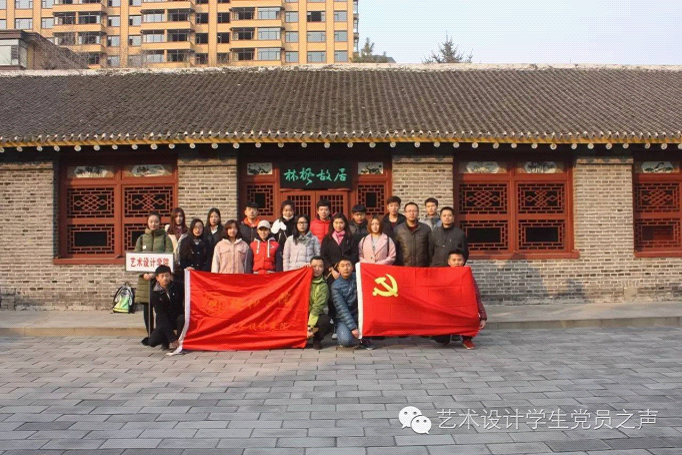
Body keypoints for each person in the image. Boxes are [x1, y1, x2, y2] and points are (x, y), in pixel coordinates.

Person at [433, 249, 487, 349]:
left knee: (471, 315)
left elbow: (476, 296)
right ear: (449, 262)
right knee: (440, 338)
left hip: (463, 310)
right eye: (454, 260)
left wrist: (483, 317)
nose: (457, 263)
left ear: (463, 261)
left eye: (459, 260)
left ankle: (467, 339)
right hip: (447, 310)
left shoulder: (468, 275)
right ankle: (447, 336)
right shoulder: (443, 275)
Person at [134, 211, 174, 342]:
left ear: (160, 223)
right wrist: (144, 273)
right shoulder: (141, 239)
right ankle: (150, 335)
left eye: (156, 221)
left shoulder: (165, 238)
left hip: (160, 279)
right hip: (145, 279)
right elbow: (136, 258)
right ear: (147, 222)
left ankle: (160, 334)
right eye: (151, 221)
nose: (153, 224)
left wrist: (156, 274)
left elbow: (169, 257)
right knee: (147, 308)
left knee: (160, 309)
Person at [331, 257, 374, 350]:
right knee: (346, 341)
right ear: (338, 269)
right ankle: (341, 331)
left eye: (348, 265)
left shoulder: (359, 278)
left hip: (360, 316)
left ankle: (364, 338)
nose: (346, 268)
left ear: (352, 267)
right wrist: (353, 328)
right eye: (342, 266)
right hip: (343, 318)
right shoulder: (335, 286)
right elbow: (342, 309)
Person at [147, 265, 184, 350]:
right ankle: (166, 341)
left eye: (167, 276)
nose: (165, 278)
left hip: (178, 318)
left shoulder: (178, 287)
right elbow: (161, 315)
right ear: (157, 278)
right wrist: (172, 337)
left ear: (170, 276)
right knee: (152, 342)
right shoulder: (154, 294)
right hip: (164, 320)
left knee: (182, 318)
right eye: (162, 276)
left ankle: (180, 342)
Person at [393, 202, 431, 267]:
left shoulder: (426, 229)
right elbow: (395, 250)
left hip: (422, 267)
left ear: (418, 212)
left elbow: (430, 250)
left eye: (414, 211)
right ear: (405, 213)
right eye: (409, 211)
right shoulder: (398, 229)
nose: (412, 213)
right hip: (404, 267)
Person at [308, 256, 333, 350]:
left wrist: (310, 327)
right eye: (314, 266)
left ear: (323, 269)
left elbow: (317, 308)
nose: (317, 269)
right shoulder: (302, 279)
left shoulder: (323, 286)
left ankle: (317, 340)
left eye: (320, 266)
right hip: (300, 314)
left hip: (314, 314)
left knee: (325, 320)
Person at [271, 200, 296, 271]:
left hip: (294, 251)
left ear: (293, 211)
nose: (288, 212)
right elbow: (273, 238)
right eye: (286, 210)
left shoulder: (297, 222)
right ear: (282, 211)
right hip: (280, 252)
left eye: (290, 210)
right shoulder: (277, 223)